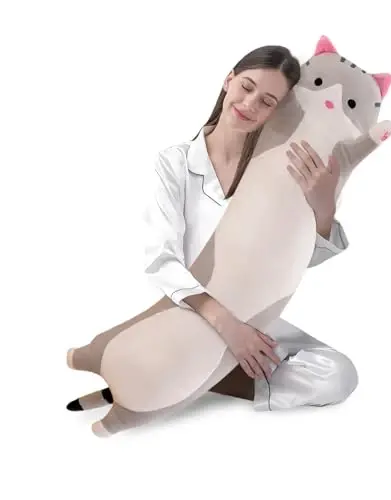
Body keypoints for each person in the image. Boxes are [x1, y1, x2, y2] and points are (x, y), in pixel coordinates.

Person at [67, 44, 358, 414]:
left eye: (267, 101)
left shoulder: (276, 168)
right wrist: (229, 329)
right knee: (181, 343)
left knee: (338, 375)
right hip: (192, 310)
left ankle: (188, 379)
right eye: (247, 87)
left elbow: (295, 261)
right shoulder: (176, 163)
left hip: (254, 309)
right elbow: (161, 259)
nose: (250, 104)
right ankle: (177, 373)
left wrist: (323, 206)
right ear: (229, 80)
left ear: (279, 110)